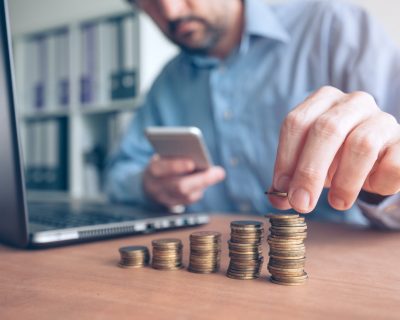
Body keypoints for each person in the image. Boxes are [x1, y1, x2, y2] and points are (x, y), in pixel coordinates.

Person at [106, 0, 400, 229]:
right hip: (211, 277)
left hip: (343, 271)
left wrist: (383, 184)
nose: (170, 11)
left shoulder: (337, 26)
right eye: (148, 2)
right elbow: (118, 174)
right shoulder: (166, 82)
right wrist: (146, 185)